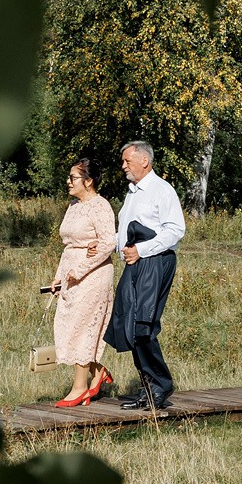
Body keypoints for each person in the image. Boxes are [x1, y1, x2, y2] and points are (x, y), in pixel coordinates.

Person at [105, 140, 186, 413]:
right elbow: (125, 231)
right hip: (136, 263)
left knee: (143, 325)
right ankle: (149, 388)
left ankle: (159, 386)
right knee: (128, 323)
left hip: (155, 262)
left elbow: (175, 230)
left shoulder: (161, 190)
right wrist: (110, 246)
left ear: (144, 161)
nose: (123, 166)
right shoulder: (132, 193)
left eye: (127, 160)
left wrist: (141, 249)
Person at [47, 158, 118, 407]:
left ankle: (80, 388)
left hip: (93, 275)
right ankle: (98, 371)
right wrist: (60, 275)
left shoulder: (101, 206)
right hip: (71, 273)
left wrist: (81, 269)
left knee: (83, 327)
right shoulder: (74, 206)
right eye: (68, 177)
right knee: (68, 326)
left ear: (88, 181)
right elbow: (69, 245)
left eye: (73, 178)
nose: (68, 182)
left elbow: (108, 242)